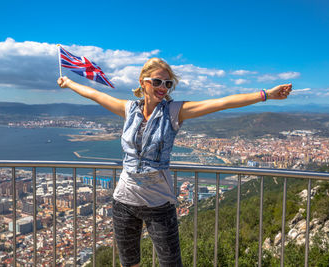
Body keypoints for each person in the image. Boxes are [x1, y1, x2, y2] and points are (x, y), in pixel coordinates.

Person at [57, 57, 292, 267]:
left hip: (159, 203)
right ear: (143, 81)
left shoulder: (174, 111)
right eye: (157, 82)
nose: (163, 88)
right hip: (124, 201)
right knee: (129, 263)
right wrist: (68, 83)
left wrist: (266, 95)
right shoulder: (129, 109)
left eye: (168, 84)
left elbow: (223, 102)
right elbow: (96, 95)